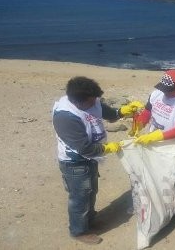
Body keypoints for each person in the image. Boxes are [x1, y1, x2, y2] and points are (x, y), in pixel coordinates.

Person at [52, 76, 143, 244]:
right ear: (78, 102)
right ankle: (78, 231)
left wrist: (123, 111)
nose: (95, 104)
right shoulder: (65, 117)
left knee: (91, 191)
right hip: (75, 163)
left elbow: (106, 112)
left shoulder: (91, 101)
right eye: (91, 102)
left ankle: (89, 220)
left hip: (91, 160)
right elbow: (85, 148)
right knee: (79, 196)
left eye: (96, 100)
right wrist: (109, 147)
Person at [132, 69, 175, 198]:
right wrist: (137, 126)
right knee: (152, 173)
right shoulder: (157, 94)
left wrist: (155, 136)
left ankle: (174, 208)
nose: (164, 92)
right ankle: (154, 200)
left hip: (173, 146)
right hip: (151, 143)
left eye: (168, 90)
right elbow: (147, 112)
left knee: (172, 178)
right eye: (163, 88)